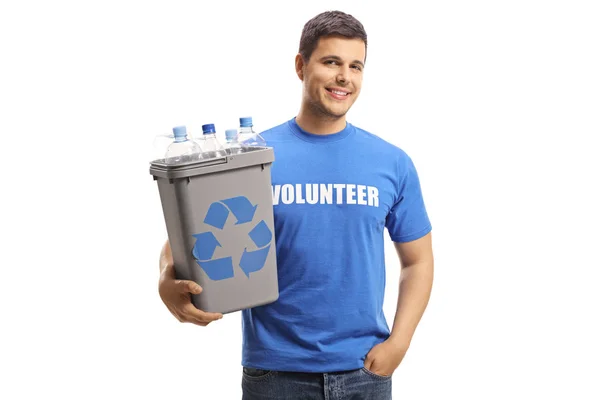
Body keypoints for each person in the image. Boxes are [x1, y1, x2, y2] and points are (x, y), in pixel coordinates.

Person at [158, 10, 434, 400]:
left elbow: (418, 260)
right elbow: (185, 235)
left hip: (364, 372)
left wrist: (400, 343)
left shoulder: (391, 162)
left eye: (356, 66)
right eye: (331, 62)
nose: (345, 77)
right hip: (275, 374)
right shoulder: (253, 157)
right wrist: (166, 279)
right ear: (301, 66)